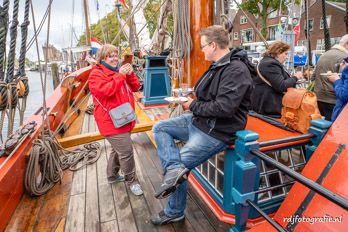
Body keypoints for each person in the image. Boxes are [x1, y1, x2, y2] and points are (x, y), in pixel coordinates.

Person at [150, 25, 254, 225]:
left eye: (204, 46)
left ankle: (174, 211)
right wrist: (191, 99)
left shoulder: (236, 70)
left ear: (213, 45)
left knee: (180, 165)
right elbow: (210, 96)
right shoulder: (218, 66)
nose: (202, 50)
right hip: (199, 121)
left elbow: (225, 108)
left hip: (216, 131)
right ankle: (174, 170)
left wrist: (192, 104)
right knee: (160, 128)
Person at [88, 44, 143, 196]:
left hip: (124, 118)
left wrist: (130, 74)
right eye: (110, 55)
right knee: (126, 152)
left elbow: (136, 87)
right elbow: (106, 91)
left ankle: (112, 176)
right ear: (102, 58)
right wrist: (120, 75)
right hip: (111, 122)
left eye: (115, 54)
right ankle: (132, 181)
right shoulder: (96, 74)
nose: (114, 58)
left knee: (117, 150)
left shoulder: (120, 70)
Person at [251, 41, 303, 117]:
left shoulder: (266, 62)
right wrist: (296, 77)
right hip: (270, 108)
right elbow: (281, 86)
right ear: (278, 52)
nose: (287, 57)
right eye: (285, 54)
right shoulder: (270, 64)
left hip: (266, 106)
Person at [314, 34, 348, 120]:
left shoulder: (324, 54)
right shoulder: (344, 57)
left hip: (319, 97)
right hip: (333, 100)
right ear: (346, 44)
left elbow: (314, 76)